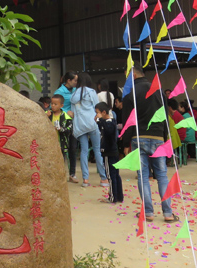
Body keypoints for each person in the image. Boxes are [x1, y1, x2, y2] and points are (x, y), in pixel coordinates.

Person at [121, 66, 178, 222]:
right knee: (162, 175)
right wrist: (165, 137)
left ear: (133, 75)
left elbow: (128, 120)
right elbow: (165, 116)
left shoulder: (130, 94)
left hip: (138, 137)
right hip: (158, 136)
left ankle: (148, 212)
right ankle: (167, 213)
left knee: (143, 176)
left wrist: (126, 143)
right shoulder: (159, 91)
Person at [71, 72, 108, 188]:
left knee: (84, 151)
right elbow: (97, 107)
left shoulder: (74, 94)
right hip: (92, 123)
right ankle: (103, 178)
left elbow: (73, 112)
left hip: (80, 125)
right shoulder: (91, 92)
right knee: (97, 150)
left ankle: (85, 179)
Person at [55, 71, 79, 183]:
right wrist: (65, 111)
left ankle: (72, 174)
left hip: (74, 124)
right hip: (64, 124)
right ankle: (60, 174)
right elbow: (53, 106)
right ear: (68, 80)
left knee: (73, 149)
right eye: (75, 80)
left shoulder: (76, 91)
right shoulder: (59, 92)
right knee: (62, 150)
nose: (76, 82)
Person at [95, 102, 122, 203]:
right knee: (115, 175)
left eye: (97, 113)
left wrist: (100, 120)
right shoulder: (107, 122)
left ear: (104, 112)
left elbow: (109, 131)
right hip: (112, 152)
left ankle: (113, 197)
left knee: (111, 176)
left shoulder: (109, 122)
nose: (96, 115)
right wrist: (99, 121)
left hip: (109, 152)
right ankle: (118, 196)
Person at [47, 94, 72, 169]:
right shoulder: (47, 114)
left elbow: (69, 130)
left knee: (60, 162)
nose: (53, 106)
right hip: (49, 143)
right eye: (52, 103)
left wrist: (61, 129)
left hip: (61, 143)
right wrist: (46, 117)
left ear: (61, 105)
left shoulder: (66, 117)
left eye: (55, 104)